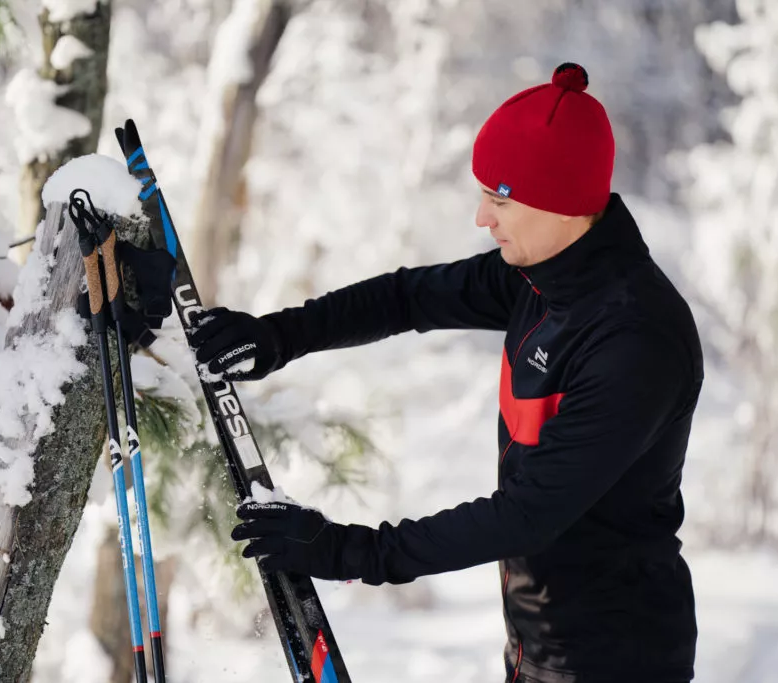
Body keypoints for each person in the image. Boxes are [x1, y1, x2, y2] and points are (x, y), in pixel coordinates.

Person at [163, 62, 703, 682]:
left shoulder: (635, 340)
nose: (482, 217)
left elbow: (526, 514)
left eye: (500, 199)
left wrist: (346, 551)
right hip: (538, 649)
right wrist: (277, 336)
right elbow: (407, 297)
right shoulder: (540, 277)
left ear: (560, 203)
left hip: (616, 662)